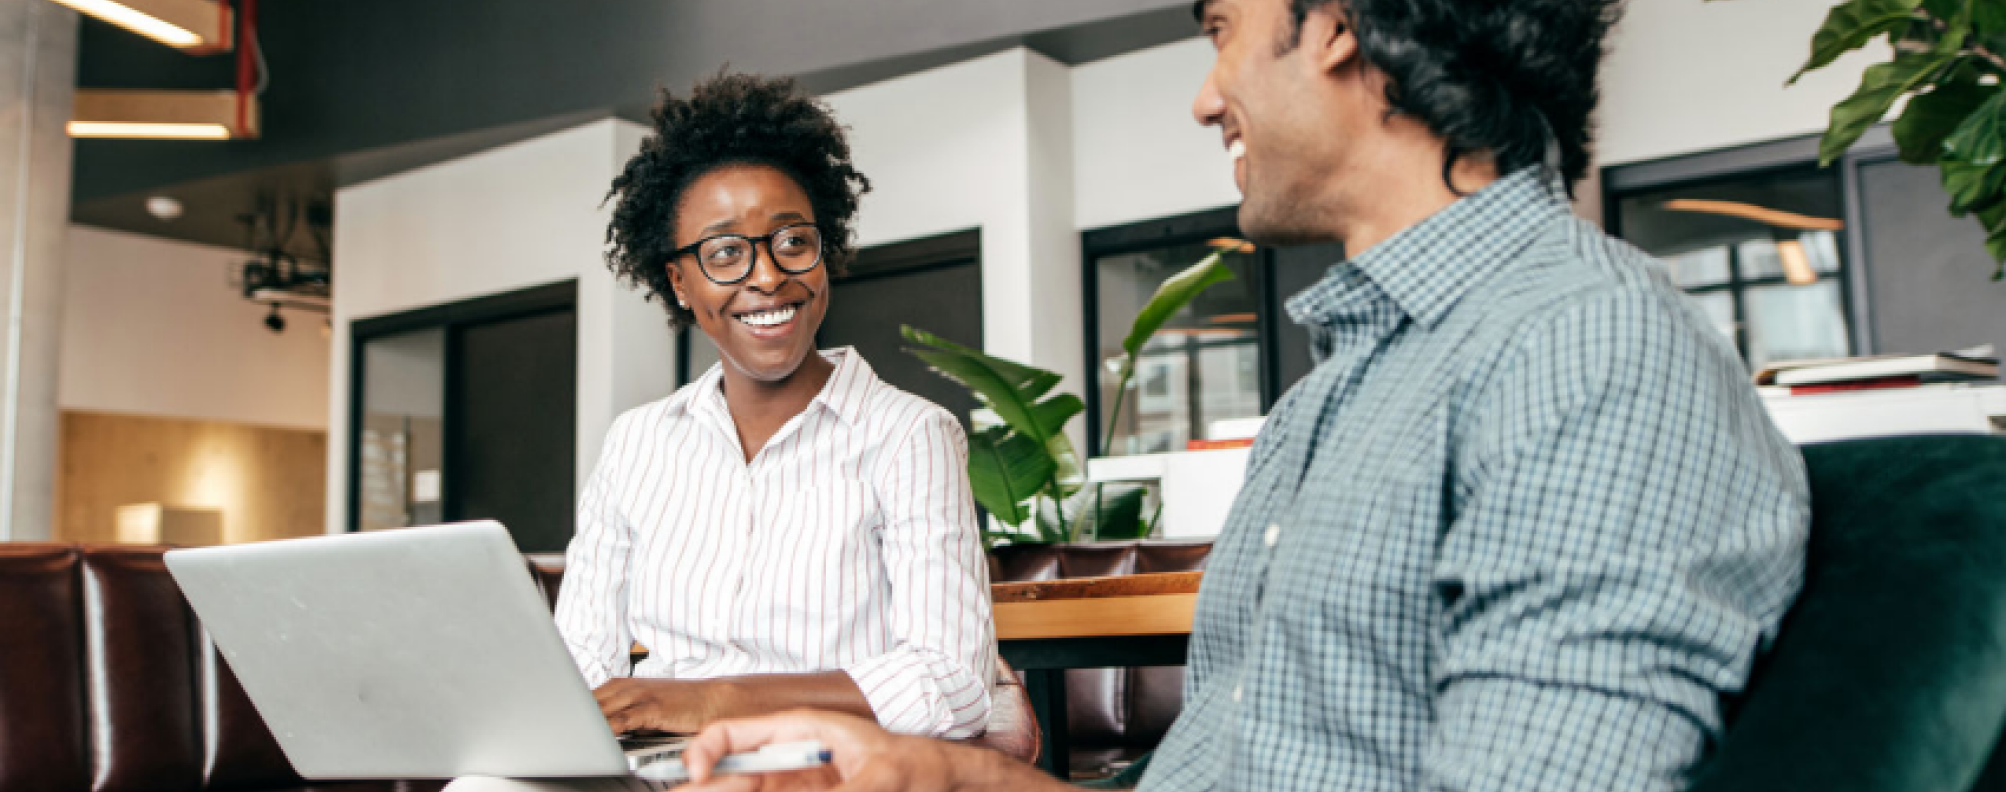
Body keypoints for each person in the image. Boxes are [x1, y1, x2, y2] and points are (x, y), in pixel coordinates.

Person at [675, 0, 1810, 789]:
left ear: (1339, 27)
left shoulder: (1582, 352)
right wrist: (936, 776)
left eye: (1219, 30)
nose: (1205, 97)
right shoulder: (1330, 402)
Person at [554, 73, 996, 741]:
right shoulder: (637, 443)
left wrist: (715, 700)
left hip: (823, 765)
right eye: (725, 253)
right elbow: (580, 661)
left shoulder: (909, 435)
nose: (767, 277)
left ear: (826, 251)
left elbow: (953, 683)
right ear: (679, 281)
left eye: (791, 241)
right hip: (657, 762)